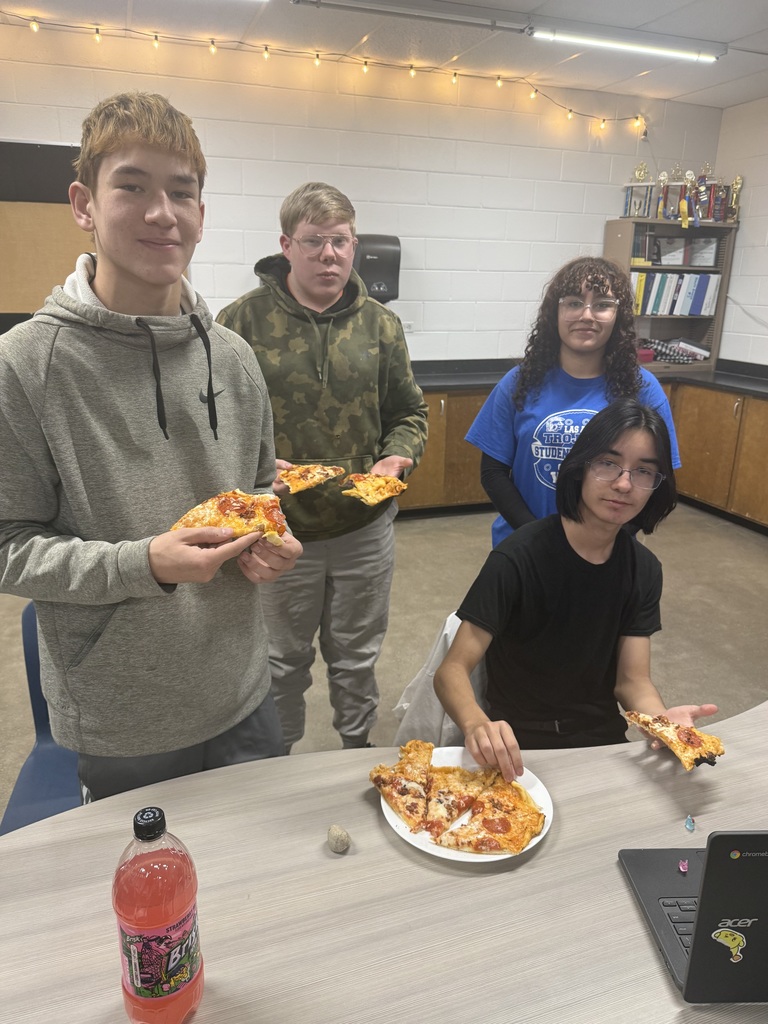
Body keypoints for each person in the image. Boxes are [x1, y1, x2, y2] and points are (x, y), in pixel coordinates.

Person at [0, 92, 302, 800]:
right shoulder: (24, 366)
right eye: (132, 187)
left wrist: (270, 537)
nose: (162, 212)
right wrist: (146, 564)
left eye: (181, 192)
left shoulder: (232, 356)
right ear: (83, 204)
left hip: (243, 686)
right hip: (123, 713)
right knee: (156, 900)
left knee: (262, 893)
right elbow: (8, 543)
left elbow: (263, 491)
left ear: (202, 212)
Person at [217, 182, 428, 751]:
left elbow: (409, 411)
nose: (328, 255)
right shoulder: (239, 324)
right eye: (313, 242)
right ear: (286, 245)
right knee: (281, 661)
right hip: (280, 530)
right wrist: (256, 466)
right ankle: (278, 760)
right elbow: (210, 424)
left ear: (354, 244)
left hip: (365, 525)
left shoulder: (382, 326)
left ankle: (355, 751)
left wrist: (398, 456)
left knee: (356, 657)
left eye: (339, 241)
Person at [434, 398, 717, 782]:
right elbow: (451, 670)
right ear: (581, 467)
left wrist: (662, 722)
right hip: (518, 744)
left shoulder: (644, 569)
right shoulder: (518, 557)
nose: (623, 483)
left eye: (644, 472)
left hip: (600, 740)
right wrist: (476, 724)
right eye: (608, 464)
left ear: (657, 486)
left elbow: (631, 680)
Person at [466, 256, 681, 548]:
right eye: (574, 303)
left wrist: (604, 540)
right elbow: (493, 473)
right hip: (524, 545)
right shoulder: (520, 382)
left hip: (604, 552)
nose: (587, 315)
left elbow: (656, 478)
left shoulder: (643, 389)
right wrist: (536, 536)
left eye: (603, 304)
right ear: (555, 312)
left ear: (619, 316)